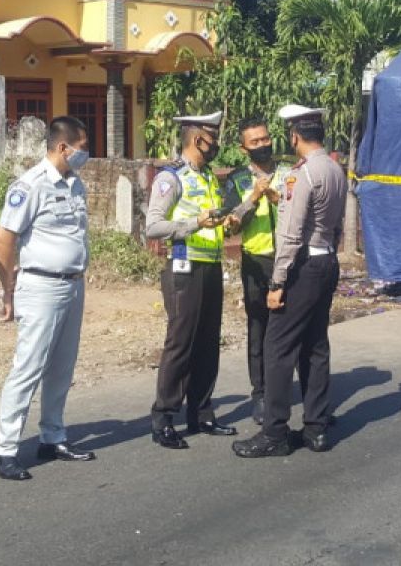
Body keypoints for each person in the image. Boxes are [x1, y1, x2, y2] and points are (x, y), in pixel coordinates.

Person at [233, 105, 347, 458]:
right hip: (327, 260)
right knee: (315, 344)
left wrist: (278, 281)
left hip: (301, 266)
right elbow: (339, 224)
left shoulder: (301, 175)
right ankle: (315, 428)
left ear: (294, 136)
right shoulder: (334, 168)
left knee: (277, 347)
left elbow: (292, 233)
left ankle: (275, 432)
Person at [0, 116, 95, 481]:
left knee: (62, 367)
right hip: (41, 287)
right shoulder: (30, 185)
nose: (86, 155)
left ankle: (53, 436)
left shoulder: (75, 184)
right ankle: (5, 449)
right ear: (62, 147)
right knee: (28, 367)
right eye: (82, 148)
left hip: (73, 284)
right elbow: (3, 239)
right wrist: (8, 290)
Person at [146, 111, 236, 449]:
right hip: (184, 269)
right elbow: (153, 226)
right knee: (181, 343)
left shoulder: (209, 176)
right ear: (197, 139)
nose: (216, 144)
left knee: (208, 342)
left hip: (210, 266)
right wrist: (195, 224)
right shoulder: (171, 178)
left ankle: (202, 413)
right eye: (212, 137)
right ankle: (164, 418)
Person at [222, 117, 289, 425]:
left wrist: (277, 198)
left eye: (265, 139)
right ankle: (260, 393)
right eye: (255, 142)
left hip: (288, 258)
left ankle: (285, 387)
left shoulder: (290, 172)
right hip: (256, 260)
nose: (262, 145)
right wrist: (253, 199)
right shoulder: (236, 179)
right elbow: (231, 224)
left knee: (289, 326)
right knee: (259, 329)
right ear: (243, 148)